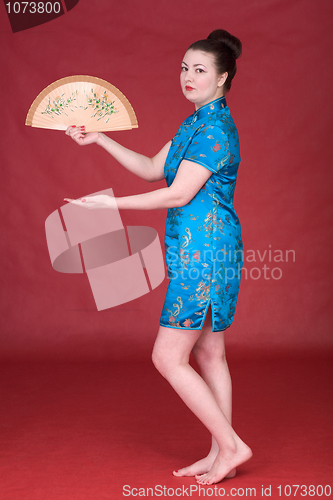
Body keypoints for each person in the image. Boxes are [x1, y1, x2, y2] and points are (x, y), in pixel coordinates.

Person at [65, 29, 252, 485]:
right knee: (209, 353)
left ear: (223, 77)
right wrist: (101, 139)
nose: (188, 76)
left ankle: (231, 447)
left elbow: (178, 194)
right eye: (185, 67)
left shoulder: (215, 131)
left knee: (168, 357)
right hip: (202, 247)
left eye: (200, 70)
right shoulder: (193, 123)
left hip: (206, 251)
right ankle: (219, 454)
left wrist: (110, 206)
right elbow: (153, 169)